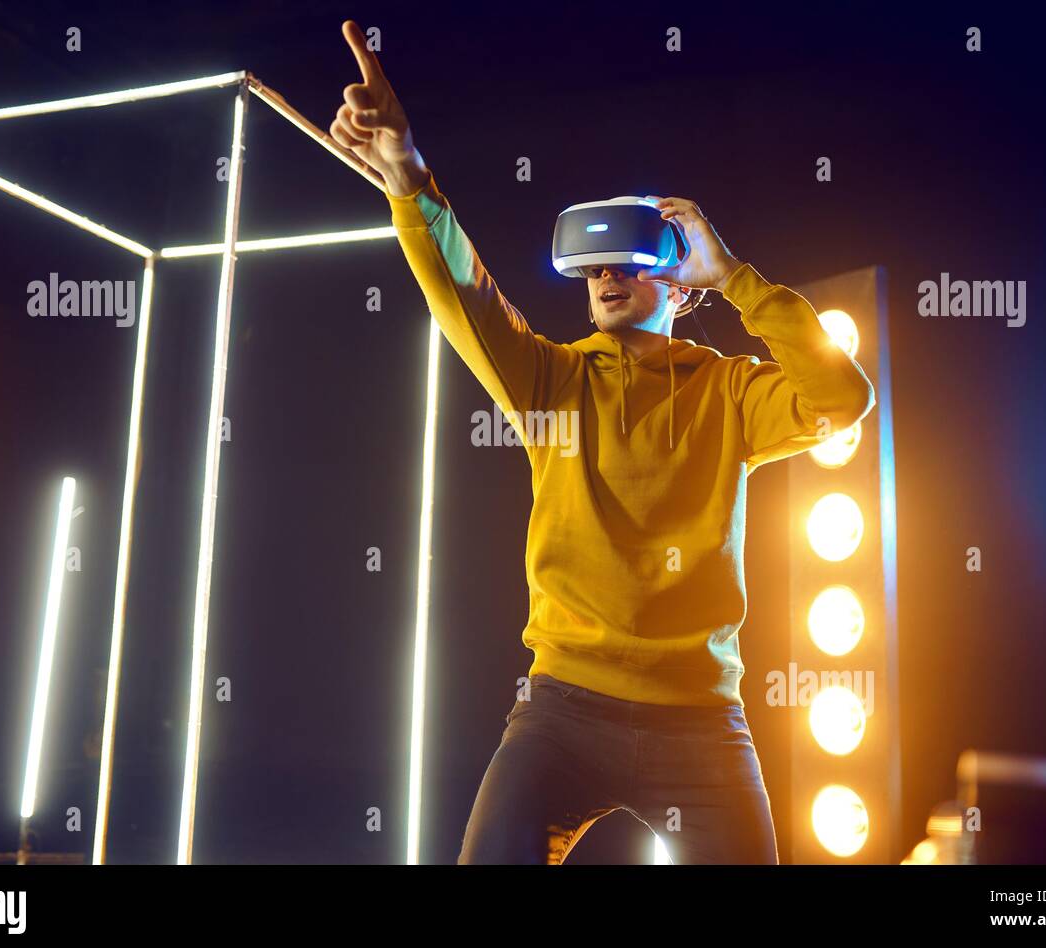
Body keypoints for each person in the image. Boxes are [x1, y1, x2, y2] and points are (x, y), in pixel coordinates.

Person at [330, 20, 875, 864]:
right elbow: (464, 295)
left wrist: (733, 277)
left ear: (678, 282)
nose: (608, 275)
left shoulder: (729, 390)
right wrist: (407, 175)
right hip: (561, 710)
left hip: (700, 720)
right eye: (594, 267)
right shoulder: (548, 379)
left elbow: (842, 396)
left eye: (632, 259)